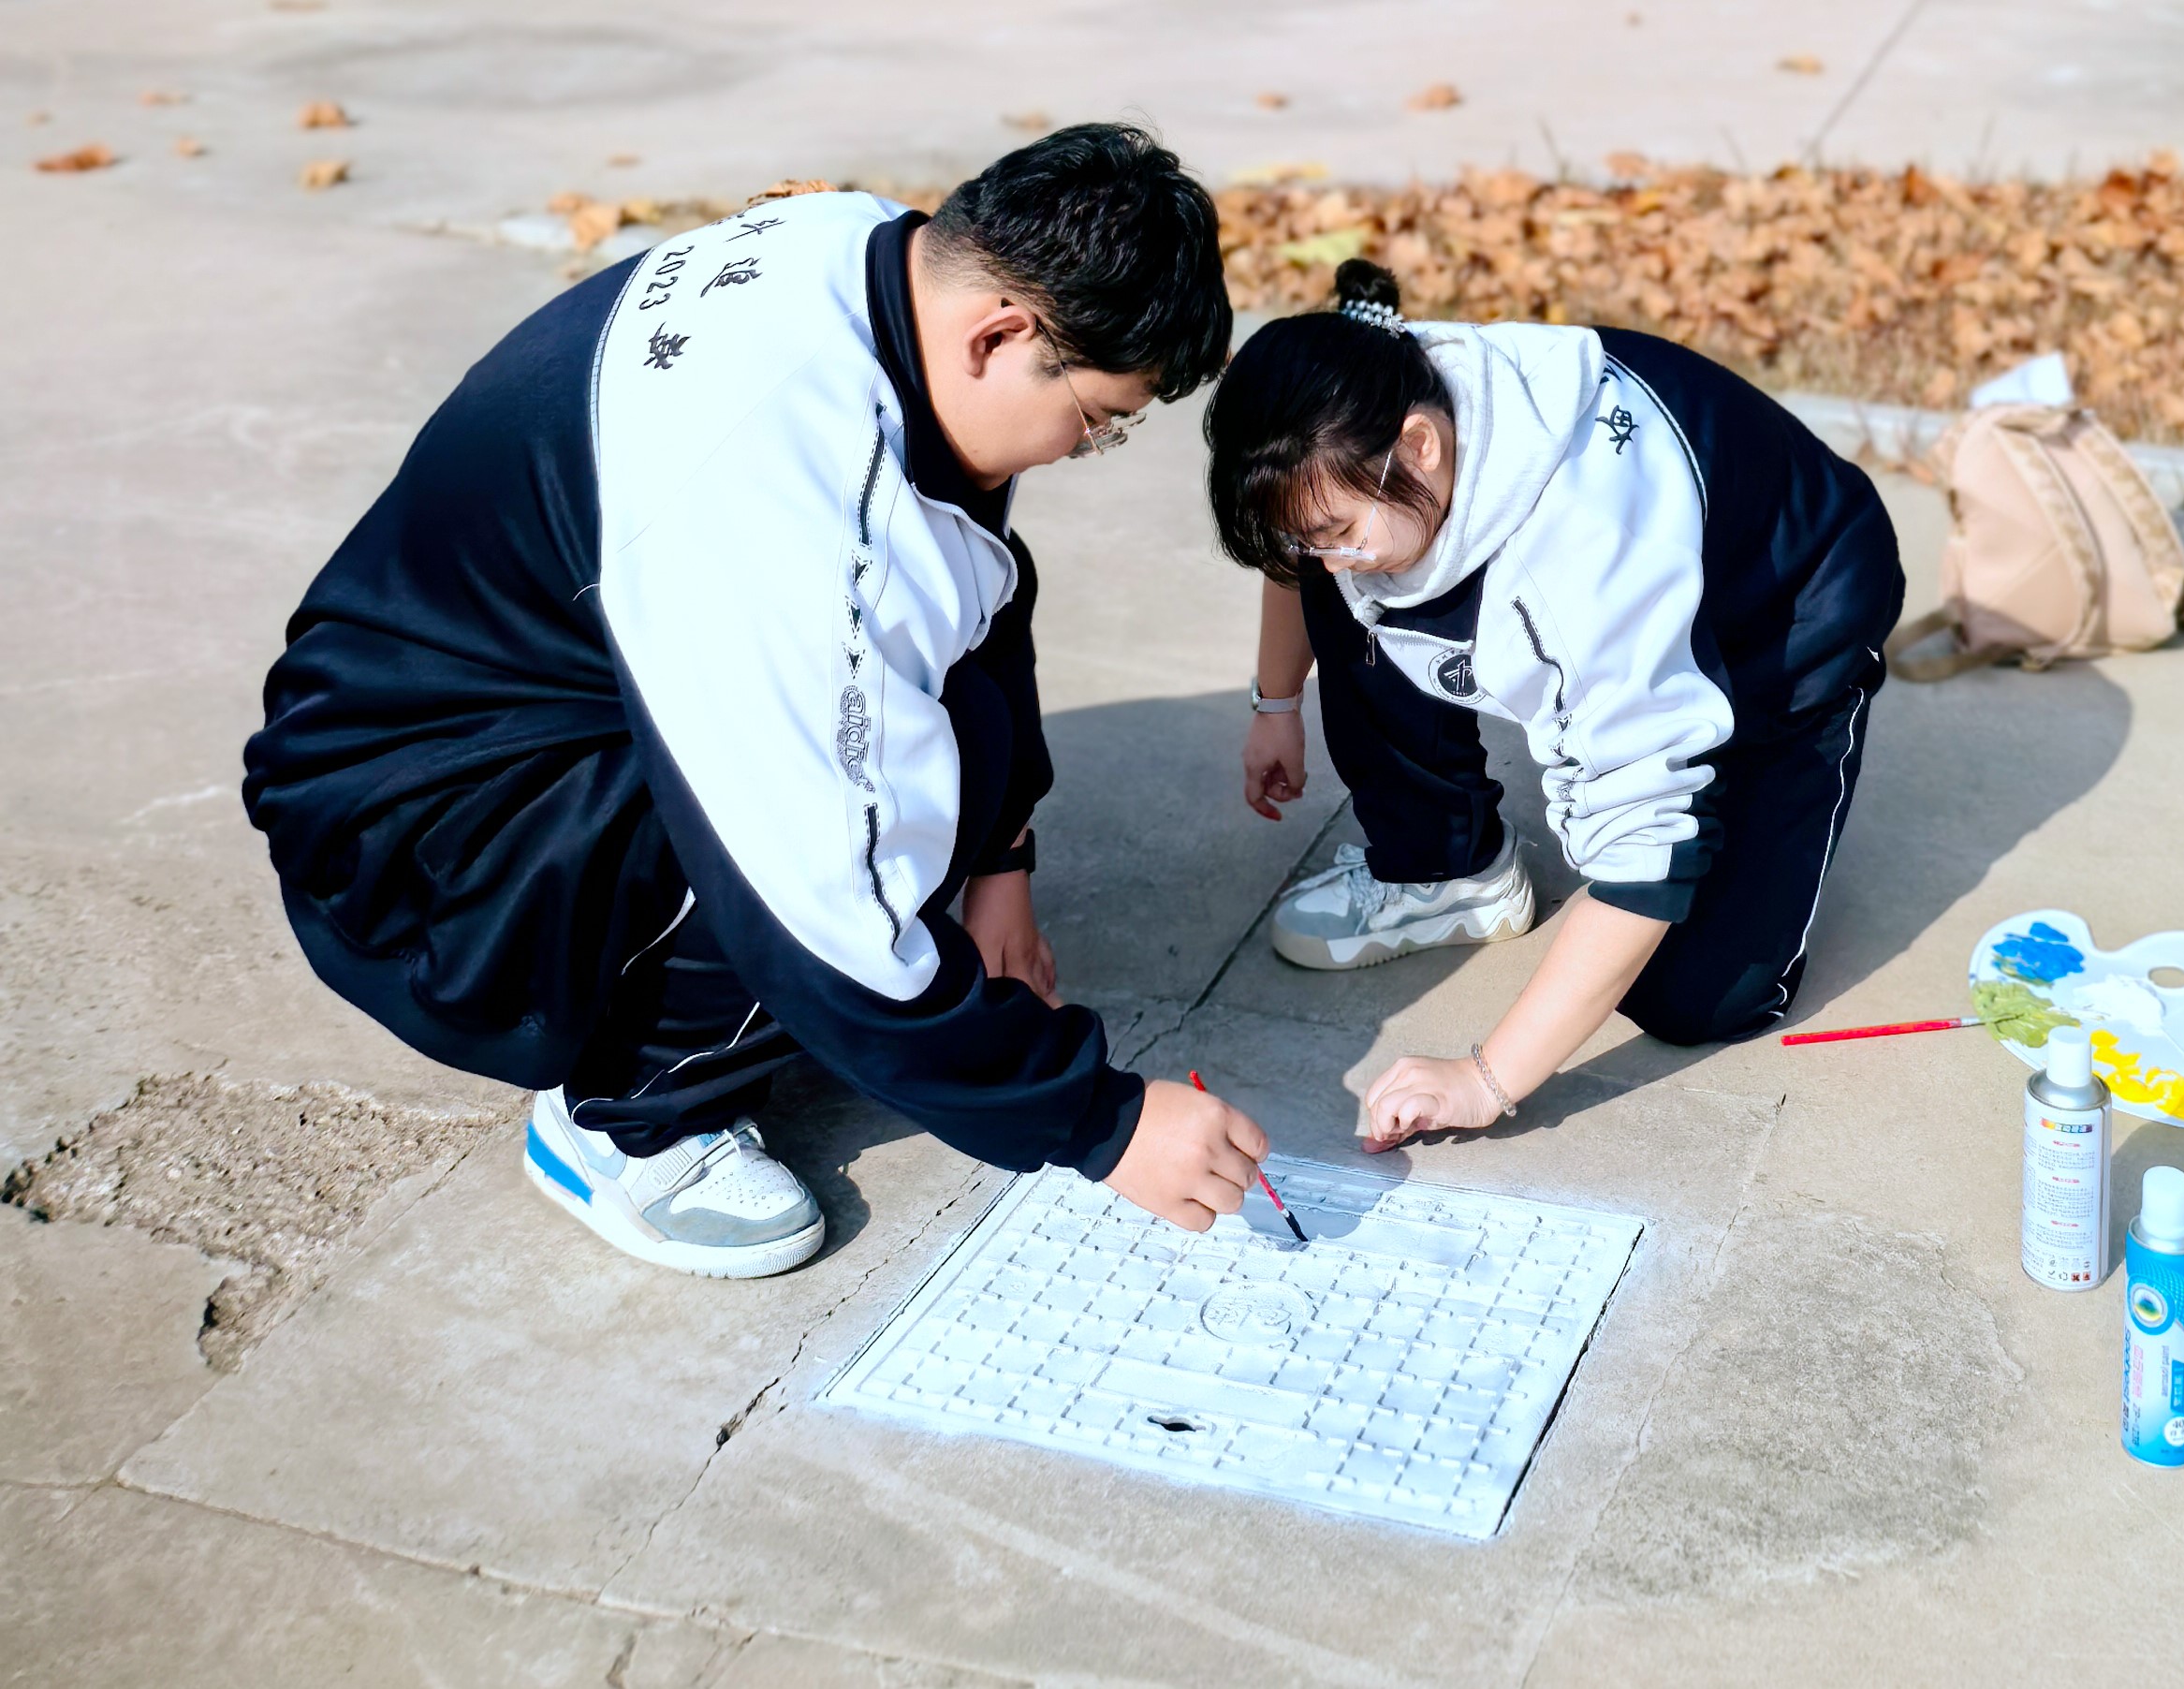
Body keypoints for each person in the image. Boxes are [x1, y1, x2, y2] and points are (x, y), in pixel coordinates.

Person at [242, 125, 1273, 1279]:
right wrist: (1102, 1122)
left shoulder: (875, 257)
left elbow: (975, 591)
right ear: (1000, 334)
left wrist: (1002, 862)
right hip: (424, 821)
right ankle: (631, 1122)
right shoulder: (786, 498)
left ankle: (721, 1011)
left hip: (500, 685)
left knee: (955, 727)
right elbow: (818, 890)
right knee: (809, 862)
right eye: (1096, 420)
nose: (1085, 448)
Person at [1208, 259, 1903, 1149]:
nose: (1325, 561)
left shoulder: (1581, 568)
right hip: (1644, 570)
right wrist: (1275, 702)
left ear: (1420, 446)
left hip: (1787, 619)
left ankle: (1733, 743)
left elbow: (1649, 856)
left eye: (1335, 533)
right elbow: (1301, 547)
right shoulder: (1365, 405)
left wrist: (1484, 1078)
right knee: (1362, 561)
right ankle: (1444, 865)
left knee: (1694, 995)